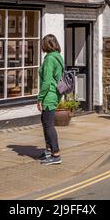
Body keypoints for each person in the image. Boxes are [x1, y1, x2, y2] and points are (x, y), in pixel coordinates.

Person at [37, 34, 64, 165]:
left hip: (49, 95)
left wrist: (40, 98)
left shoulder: (49, 59)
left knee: (48, 125)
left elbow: (47, 82)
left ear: (45, 45)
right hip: (55, 94)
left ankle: (56, 154)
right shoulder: (58, 57)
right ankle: (48, 151)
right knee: (45, 122)